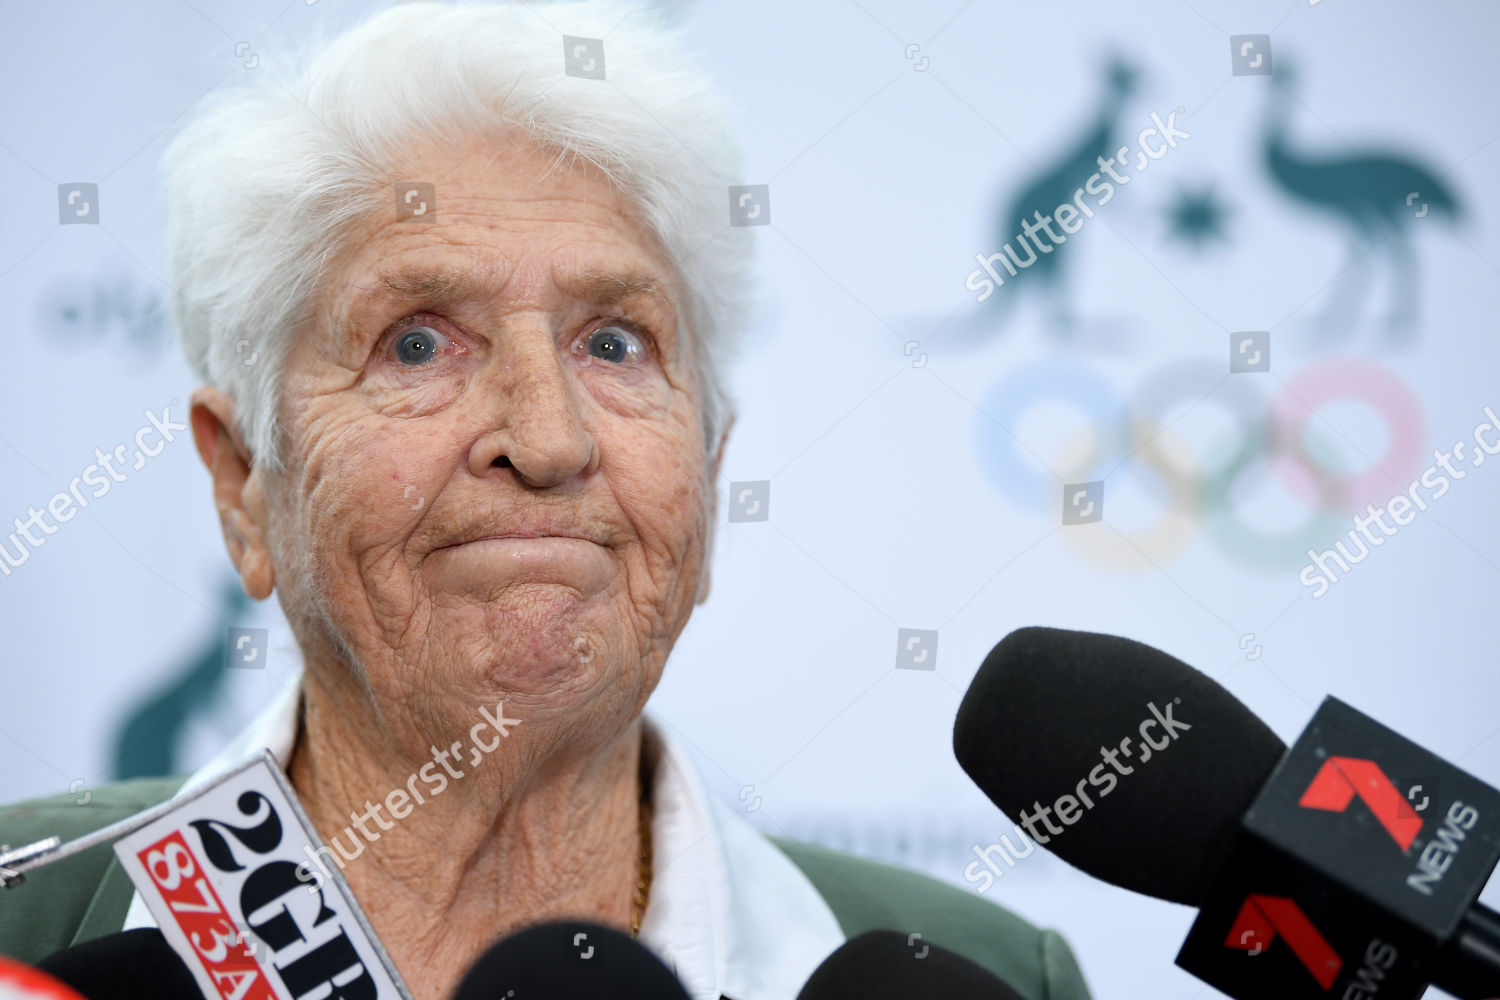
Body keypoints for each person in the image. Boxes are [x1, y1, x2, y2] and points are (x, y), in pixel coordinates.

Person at [0, 4, 1092, 998]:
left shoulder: (983, 977)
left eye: (614, 342)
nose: (549, 436)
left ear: (707, 476)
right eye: (417, 341)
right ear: (243, 485)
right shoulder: (24, 940)